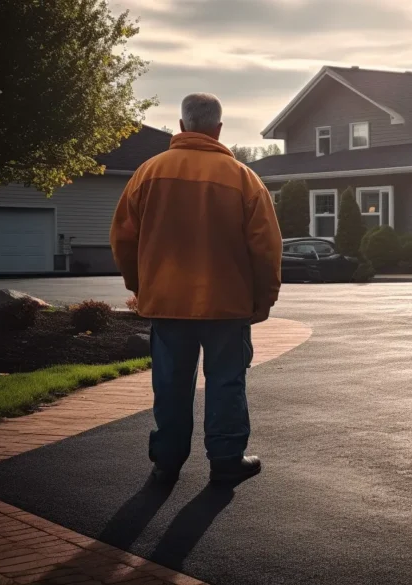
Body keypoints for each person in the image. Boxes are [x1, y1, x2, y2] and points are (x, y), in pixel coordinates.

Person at [110, 93, 283, 485]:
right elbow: (266, 247)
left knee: (170, 385)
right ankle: (226, 460)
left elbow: (122, 240)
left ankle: (166, 463)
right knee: (226, 382)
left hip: (167, 303)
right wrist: (263, 299)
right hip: (227, 305)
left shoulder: (148, 173)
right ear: (218, 129)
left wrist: (141, 286)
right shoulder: (243, 178)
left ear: (182, 125)